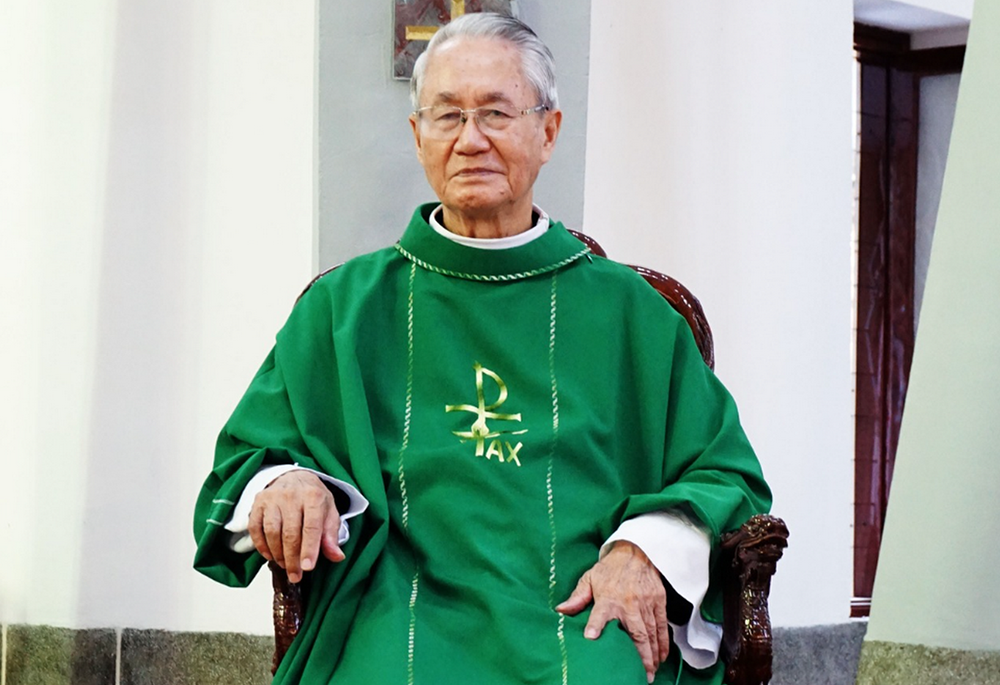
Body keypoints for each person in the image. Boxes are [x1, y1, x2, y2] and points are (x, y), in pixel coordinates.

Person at [193, 12, 770, 685]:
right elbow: (247, 458)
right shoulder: (344, 309)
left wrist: (644, 550)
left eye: (496, 113)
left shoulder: (634, 315)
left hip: (581, 606)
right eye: (447, 116)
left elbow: (727, 475)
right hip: (396, 609)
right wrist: (286, 482)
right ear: (418, 137)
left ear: (547, 130)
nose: (470, 140)